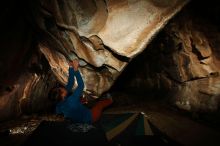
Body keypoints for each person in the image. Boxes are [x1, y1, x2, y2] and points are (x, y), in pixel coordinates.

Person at [48, 59, 113, 124]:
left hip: (78, 116)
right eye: (61, 89)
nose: (62, 87)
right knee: (100, 105)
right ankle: (110, 100)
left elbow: (71, 82)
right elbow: (81, 85)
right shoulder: (71, 100)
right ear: (62, 95)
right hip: (91, 117)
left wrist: (71, 67)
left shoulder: (59, 104)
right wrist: (76, 69)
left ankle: (83, 103)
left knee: (82, 100)